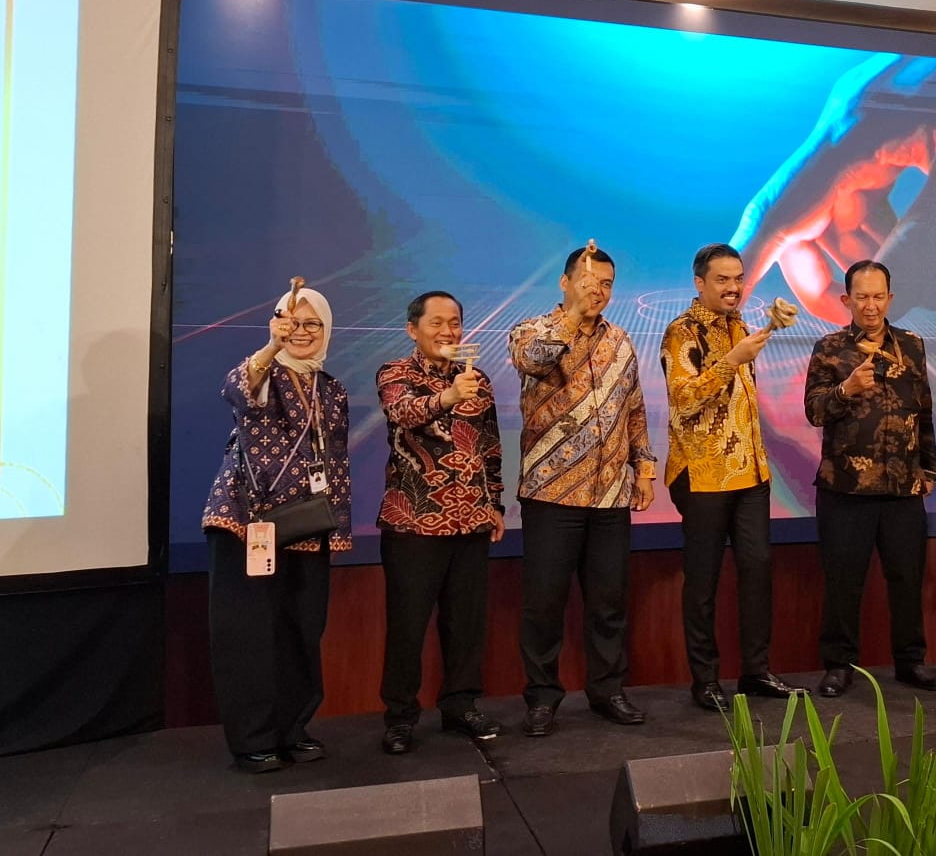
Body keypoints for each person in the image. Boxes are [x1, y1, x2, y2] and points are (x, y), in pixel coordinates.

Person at [509, 245, 657, 737]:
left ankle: (607, 691)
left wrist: (644, 468)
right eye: (591, 281)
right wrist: (573, 317)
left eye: (607, 284)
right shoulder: (531, 331)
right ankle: (541, 697)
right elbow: (533, 362)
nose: (600, 291)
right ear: (565, 282)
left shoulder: (621, 340)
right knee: (544, 603)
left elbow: (634, 407)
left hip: (610, 493)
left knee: (609, 601)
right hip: (551, 493)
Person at [203, 286, 351, 773]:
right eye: (291, 323)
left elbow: (337, 463)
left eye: (312, 324)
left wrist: (338, 530)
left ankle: (292, 729)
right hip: (248, 524)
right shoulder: (263, 372)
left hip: (309, 525)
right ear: (276, 324)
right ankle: (253, 739)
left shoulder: (332, 388)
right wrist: (271, 346)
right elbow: (237, 389)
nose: (301, 333)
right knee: (249, 633)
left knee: (302, 631)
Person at [660, 243, 806, 711]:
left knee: (757, 571)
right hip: (702, 475)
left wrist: (763, 332)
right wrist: (731, 360)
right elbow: (684, 399)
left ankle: (756, 671)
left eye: (738, 278)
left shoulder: (738, 325)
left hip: (750, 473)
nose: (733, 287)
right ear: (699, 283)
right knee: (702, 580)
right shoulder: (681, 332)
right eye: (722, 279)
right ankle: (704, 680)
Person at [802, 259, 936, 696]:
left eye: (878, 296)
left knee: (907, 578)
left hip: (903, 487)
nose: (871, 305)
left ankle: (910, 662)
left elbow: (924, 410)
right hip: (845, 487)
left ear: (890, 298)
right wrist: (846, 389)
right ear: (846, 300)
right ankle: (838, 666)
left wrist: (929, 467)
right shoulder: (829, 348)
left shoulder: (912, 345)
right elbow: (814, 412)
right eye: (862, 297)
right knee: (843, 582)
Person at [375, 291, 505, 755]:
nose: (448, 331)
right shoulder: (395, 374)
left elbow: (489, 446)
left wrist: (495, 502)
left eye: (455, 322)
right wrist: (449, 395)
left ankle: (460, 706)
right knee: (407, 626)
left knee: (465, 625)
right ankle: (400, 717)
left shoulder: (478, 379)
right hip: (414, 523)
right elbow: (402, 413)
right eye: (437, 323)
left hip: (471, 520)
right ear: (413, 329)